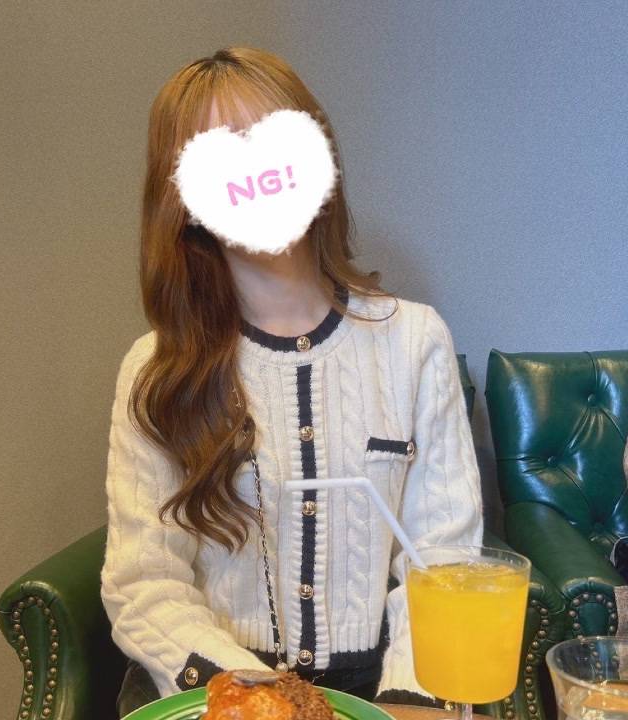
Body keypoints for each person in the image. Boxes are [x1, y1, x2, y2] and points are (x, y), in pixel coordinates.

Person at [100, 46, 484, 718]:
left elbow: (444, 555)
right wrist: (266, 699)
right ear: (183, 200)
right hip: (222, 694)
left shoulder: (416, 340)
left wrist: (409, 697)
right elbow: (144, 584)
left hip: (385, 692)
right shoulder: (154, 370)